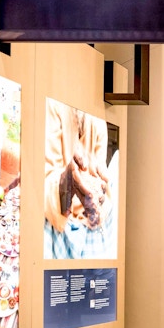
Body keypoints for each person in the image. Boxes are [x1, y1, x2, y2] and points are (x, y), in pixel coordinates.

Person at [43, 99, 115, 259]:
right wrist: (67, 181)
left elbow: (100, 171)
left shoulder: (97, 115)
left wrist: (99, 189)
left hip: (92, 224)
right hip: (59, 224)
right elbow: (46, 178)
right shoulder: (52, 105)